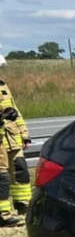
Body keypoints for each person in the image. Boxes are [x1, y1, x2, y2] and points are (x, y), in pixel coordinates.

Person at [0, 56, 31, 226]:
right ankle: (3, 214)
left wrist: (24, 133)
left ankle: (23, 205)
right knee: (2, 175)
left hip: (11, 137)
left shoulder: (2, 85)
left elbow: (15, 111)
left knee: (20, 169)